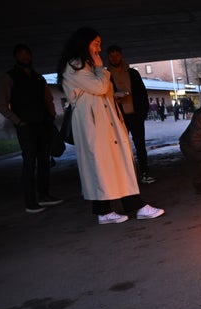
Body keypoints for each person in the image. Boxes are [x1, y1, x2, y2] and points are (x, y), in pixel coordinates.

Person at [56, 27, 164, 224]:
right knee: (102, 164)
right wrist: (100, 69)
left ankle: (112, 209)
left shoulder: (85, 65)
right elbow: (98, 87)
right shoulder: (75, 65)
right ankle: (123, 207)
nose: (99, 47)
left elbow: (98, 91)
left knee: (111, 163)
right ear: (83, 43)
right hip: (93, 123)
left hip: (103, 119)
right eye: (95, 43)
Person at [0, 44, 63, 213]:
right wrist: (17, 121)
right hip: (25, 126)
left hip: (43, 124)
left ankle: (44, 195)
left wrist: (51, 114)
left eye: (27, 54)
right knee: (29, 162)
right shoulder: (8, 77)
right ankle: (30, 202)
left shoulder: (38, 77)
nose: (25, 57)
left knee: (44, 161)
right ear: (16, 57)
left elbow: (47, 98)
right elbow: (1, 103)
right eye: (21, 54)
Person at [106, 44, 156, 184]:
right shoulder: (106, 75)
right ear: (108, 57)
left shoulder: (133, 73)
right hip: (118, 117)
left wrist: (143, 112)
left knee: (140, 145)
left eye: (117, 55)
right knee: (120, 147)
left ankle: (144, 173)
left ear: (121, 55)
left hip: (135, 115)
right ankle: (126, 178)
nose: (114, 58)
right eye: (111, 55)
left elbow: (142, 92)